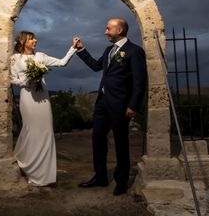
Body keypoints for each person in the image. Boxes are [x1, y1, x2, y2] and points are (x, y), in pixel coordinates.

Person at [73, 17, 148, 196]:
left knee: (121, 143)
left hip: (121, 105)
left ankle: (121, 182)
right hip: (102, 103)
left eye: (108, 29)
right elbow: (96, 66)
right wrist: (81, 49)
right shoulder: (108, 50)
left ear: (119, 30)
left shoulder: (134, 51)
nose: (105, 32)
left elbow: (140, 81)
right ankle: (100, 177)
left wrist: (133, 105)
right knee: (97, 139)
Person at [10, 31, 77, 186]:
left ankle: (43, 175)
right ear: (23, 42)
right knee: (30, 130)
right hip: (27, 97)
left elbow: (62, 62)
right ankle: (26, 164)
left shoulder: (40, 56)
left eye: (34, 38)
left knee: (46, 131)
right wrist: (23, 81)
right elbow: (12, 78)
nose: (35, 40)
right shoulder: (15, 59)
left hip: (43, 98)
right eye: (31, 38)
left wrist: (72, 48)